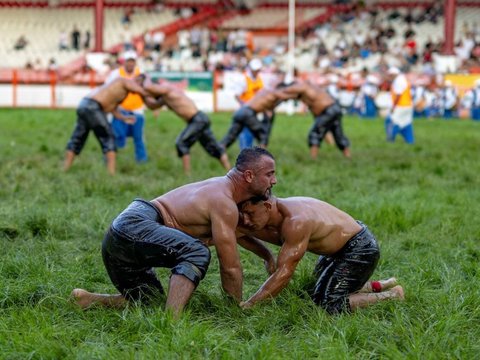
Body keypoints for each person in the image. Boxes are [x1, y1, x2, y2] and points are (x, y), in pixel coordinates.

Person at [71, 147, 278, 318]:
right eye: (270, 174)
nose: (274, 181)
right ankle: (171, 321)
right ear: (249, 176)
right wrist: (235, 310)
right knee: (196, 252)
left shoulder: (221, 190)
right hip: (134, 224)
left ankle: (87, 299)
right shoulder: (223, 202)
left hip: (119, 235)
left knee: (148, 300)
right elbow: (230, 266)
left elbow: (237, 232)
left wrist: (267, 255)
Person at [236, 195, 404, 314]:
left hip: (360, 249)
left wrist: (251, 304)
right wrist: (266, 255)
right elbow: (243, 233)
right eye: (242, 215)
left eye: (250, 213)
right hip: (340, 248)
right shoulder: (281, 209)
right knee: (315, 290)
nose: (246, 220)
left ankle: (392, 295)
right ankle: (380, 284)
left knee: (329, 304)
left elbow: (283, 274)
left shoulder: (296, 221)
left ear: (266, 206)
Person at [63, 74, 156, 175]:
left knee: (77, 138)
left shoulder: (121, 90)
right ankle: (111, 174)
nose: (141, 86)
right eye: (141, 84)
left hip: (84, 105)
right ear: (137, 80)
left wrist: (124, 118)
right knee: (109, 138)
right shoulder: (125, 81)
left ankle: (65, 169)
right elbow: (144, 91)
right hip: (94, 107)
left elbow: (112, 107)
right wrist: (149, 80)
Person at [143, 79, 230, 175]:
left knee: (182, 143)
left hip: (198, 120)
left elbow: (148, 87)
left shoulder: (167, 89)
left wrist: (145, 77)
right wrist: (141, 95)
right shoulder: (165, 98)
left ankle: (187, 174)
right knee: (214, 147)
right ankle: (229, 171)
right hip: (198, 120)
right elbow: (152, 106)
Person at [278, 80, 351, 159]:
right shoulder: (308, 91)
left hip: (328, 111)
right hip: (334, 109)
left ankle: (313, 159)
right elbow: (290, 97)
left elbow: (291, 90)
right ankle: (348, 157)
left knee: (314, 133)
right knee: (338, 134)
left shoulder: (304, 86)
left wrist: (280, 91)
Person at [106, 51, 149, 163]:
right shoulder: (116, 74)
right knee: (115, 136)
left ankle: (142, 160)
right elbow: (108, 89)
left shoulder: (141, 73)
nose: (130, 64)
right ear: (124, 62)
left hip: (137, 110)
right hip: (120, 110)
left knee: (138, 138)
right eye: (128, 61)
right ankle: (110, 159)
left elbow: (148, 89)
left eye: (132, 61)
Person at [220, 86, 293, 150]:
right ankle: (262, 161)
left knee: (229, 139)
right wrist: (299, 93)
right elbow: (285, 96)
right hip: (248, 113)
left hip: (240, 111)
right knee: (263, 136)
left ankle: (219, 151)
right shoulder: (275, 93)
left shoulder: (265, 93)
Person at [233, 58, 265, 149]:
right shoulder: (244, 79)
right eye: (255, 70)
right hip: (246, 111)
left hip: (255, 110)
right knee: (245, 134)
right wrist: (244, 105)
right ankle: (244, 154)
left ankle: (251, 154)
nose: (256, 72)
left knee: (253, 133)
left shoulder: (259, 79)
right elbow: (237, 95)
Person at [385, 67, 415, 144]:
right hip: (407, 105)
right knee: (406, 124)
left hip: (401, 106)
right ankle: (410, 141)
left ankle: (390, 140)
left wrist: (393, 107)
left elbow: (398, 95)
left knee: (391, 122)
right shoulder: (403, 79)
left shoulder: (398, 81)